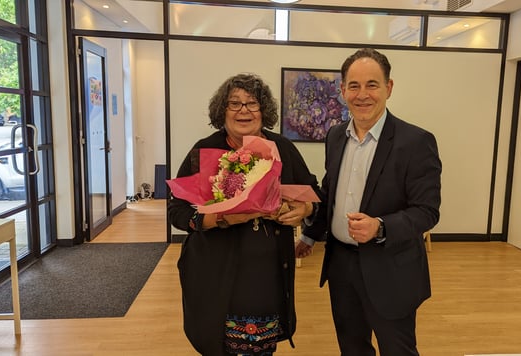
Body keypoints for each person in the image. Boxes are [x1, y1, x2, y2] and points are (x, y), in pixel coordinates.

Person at [296, 48, 442, 356]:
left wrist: (381, 227)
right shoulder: (335, 136)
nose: (363, 95)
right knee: (352, 348)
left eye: (372, 85)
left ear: (388, 88)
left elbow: (427, 211)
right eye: (354, 85)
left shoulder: (415, 142)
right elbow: (331, 193)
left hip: (391, 270)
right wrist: (310, 233)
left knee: (397, 350)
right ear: (342, 90)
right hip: (341, 267)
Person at [168, 73, 321, 356]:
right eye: (234, 104)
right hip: (214, 272)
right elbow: (176, 212)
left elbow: (314, 195)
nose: (244, 111)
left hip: (267, 275)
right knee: (219, 346)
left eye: (252, 104)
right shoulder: (204, 150)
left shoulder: (283, 148)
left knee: (261, 349)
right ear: (221, 110)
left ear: (264, 110)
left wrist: (304, 209)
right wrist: (221, 218)